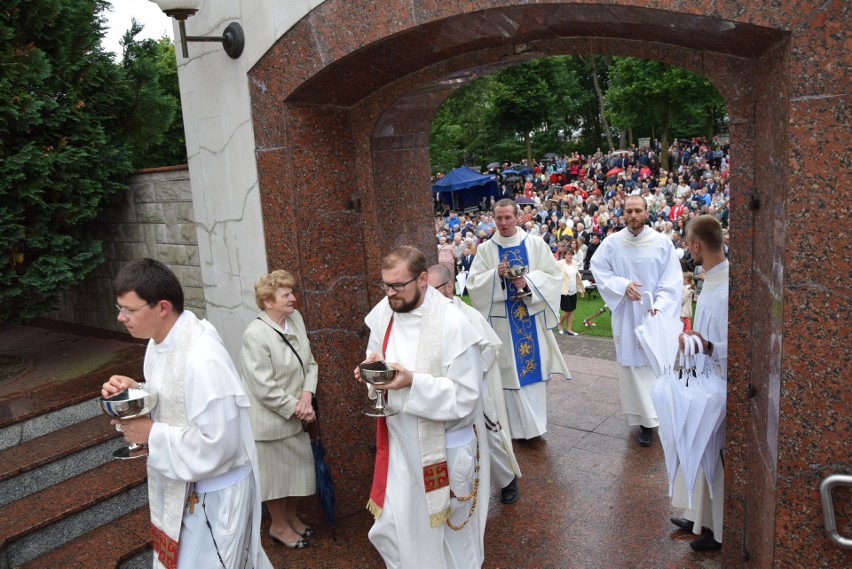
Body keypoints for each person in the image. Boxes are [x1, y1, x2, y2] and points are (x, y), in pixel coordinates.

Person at [101, 258, 271, 569]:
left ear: (162, 307)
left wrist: (151, 433)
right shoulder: (161, 342)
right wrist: (137, 391)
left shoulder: (203, 357)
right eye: (120, 307)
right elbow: (177, 399)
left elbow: (221, 443)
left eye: (129, 309)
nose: (121, 316)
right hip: (188, 487)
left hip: (216, 496)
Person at [355, 246, 490, 569]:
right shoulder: (386, 312)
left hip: (443, 449)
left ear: (424, 279)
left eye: (398, 285)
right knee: (402, 529)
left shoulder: (454, 324)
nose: (390, 294)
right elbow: (376, 354)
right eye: (385, 285)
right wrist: (372, 370)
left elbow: (466, 397)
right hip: (400, 445)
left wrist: (413, 382)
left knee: (451, 539)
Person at [467, 199, 570, 440]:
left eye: (508, 218)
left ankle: (535, 428)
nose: (503, 223)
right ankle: (513, 430)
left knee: (531, 374)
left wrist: (528, 282)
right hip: (503, 324)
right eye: (499, 218)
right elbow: (473, 285)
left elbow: (554, 276)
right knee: (507, 374)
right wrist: (496, 275)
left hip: (530, 319)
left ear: (518, 218)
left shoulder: (534, 244)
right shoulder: (485, 250)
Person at [590, 195, 682, 447]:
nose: (633, 215)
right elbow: (598, 268)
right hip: (626, 316)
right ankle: (644, 422)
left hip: (654, 315)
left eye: (637, 210)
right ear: (623, 213)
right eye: (629, 211)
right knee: (632, 368)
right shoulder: (611, 243)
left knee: (653, 366)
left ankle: (658, 416)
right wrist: (622, 286)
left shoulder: (661, 243)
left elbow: (672, 279)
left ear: (646, 212)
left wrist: (660, 306)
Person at [427, 264, 522, 505]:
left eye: (432, 290)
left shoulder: (468, 316)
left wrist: (464, 374)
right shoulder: (426, 317)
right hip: (440, 392)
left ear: (449, 287)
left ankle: (507, 480)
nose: (427, 297)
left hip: (472, 391)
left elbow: (488, 350)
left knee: (489, 437)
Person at [240, 270, 318, 549]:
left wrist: (307, 396)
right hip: (270, 421)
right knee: (275, 480)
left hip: (298, 413)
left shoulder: (295, 320)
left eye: (291, 292)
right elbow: (263, 387)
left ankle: (291, 517)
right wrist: (299, 408)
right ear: (268, 302)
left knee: (299, 472)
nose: (293, 298)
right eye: (285, 295)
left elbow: (310, 363)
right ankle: (279, 526)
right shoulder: (255, 334)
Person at [669, 215, 729, 552]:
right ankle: (699, 517)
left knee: (712, 455)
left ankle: (718, 530)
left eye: (687, 244)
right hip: (704, 376)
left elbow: (734, 342)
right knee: (697, 447)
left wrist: (705, 346)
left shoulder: (727, 285)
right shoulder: (714, 278)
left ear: (696, 246)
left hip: (718, 384)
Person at [556, 249, 585, 335]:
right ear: (564, 255)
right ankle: (560, 323)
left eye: (572, 254)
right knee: (568, 310)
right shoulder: (559, 263)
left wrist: (580, 290)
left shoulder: (574, 263)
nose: (570, 256)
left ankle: (569, 329)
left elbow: (577, 277)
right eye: (568, 254)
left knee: (571, 310)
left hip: (573, 289)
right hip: (564, 290)